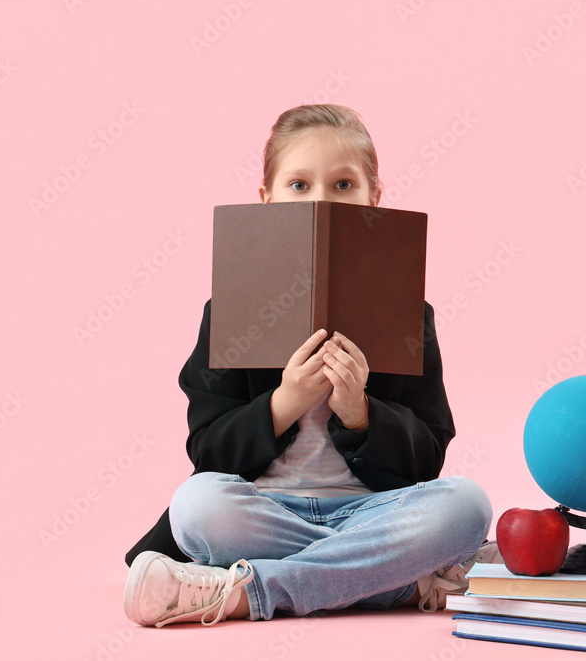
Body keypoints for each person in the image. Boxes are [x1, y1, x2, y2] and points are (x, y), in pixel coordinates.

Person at [123, 104, 496, 627]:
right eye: (299, 185)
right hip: (264, 514)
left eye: (343, 185)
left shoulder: (409, 311)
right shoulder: (230, 310)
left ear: (375, 199)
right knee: (196, 505)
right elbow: (207, 450)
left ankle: (246, 591)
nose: (322, 199)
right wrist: (283, 404)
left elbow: (428, 457)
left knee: (466, 505)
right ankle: (391, 581)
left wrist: (362, 414)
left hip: (374, 514)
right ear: (267, 200)